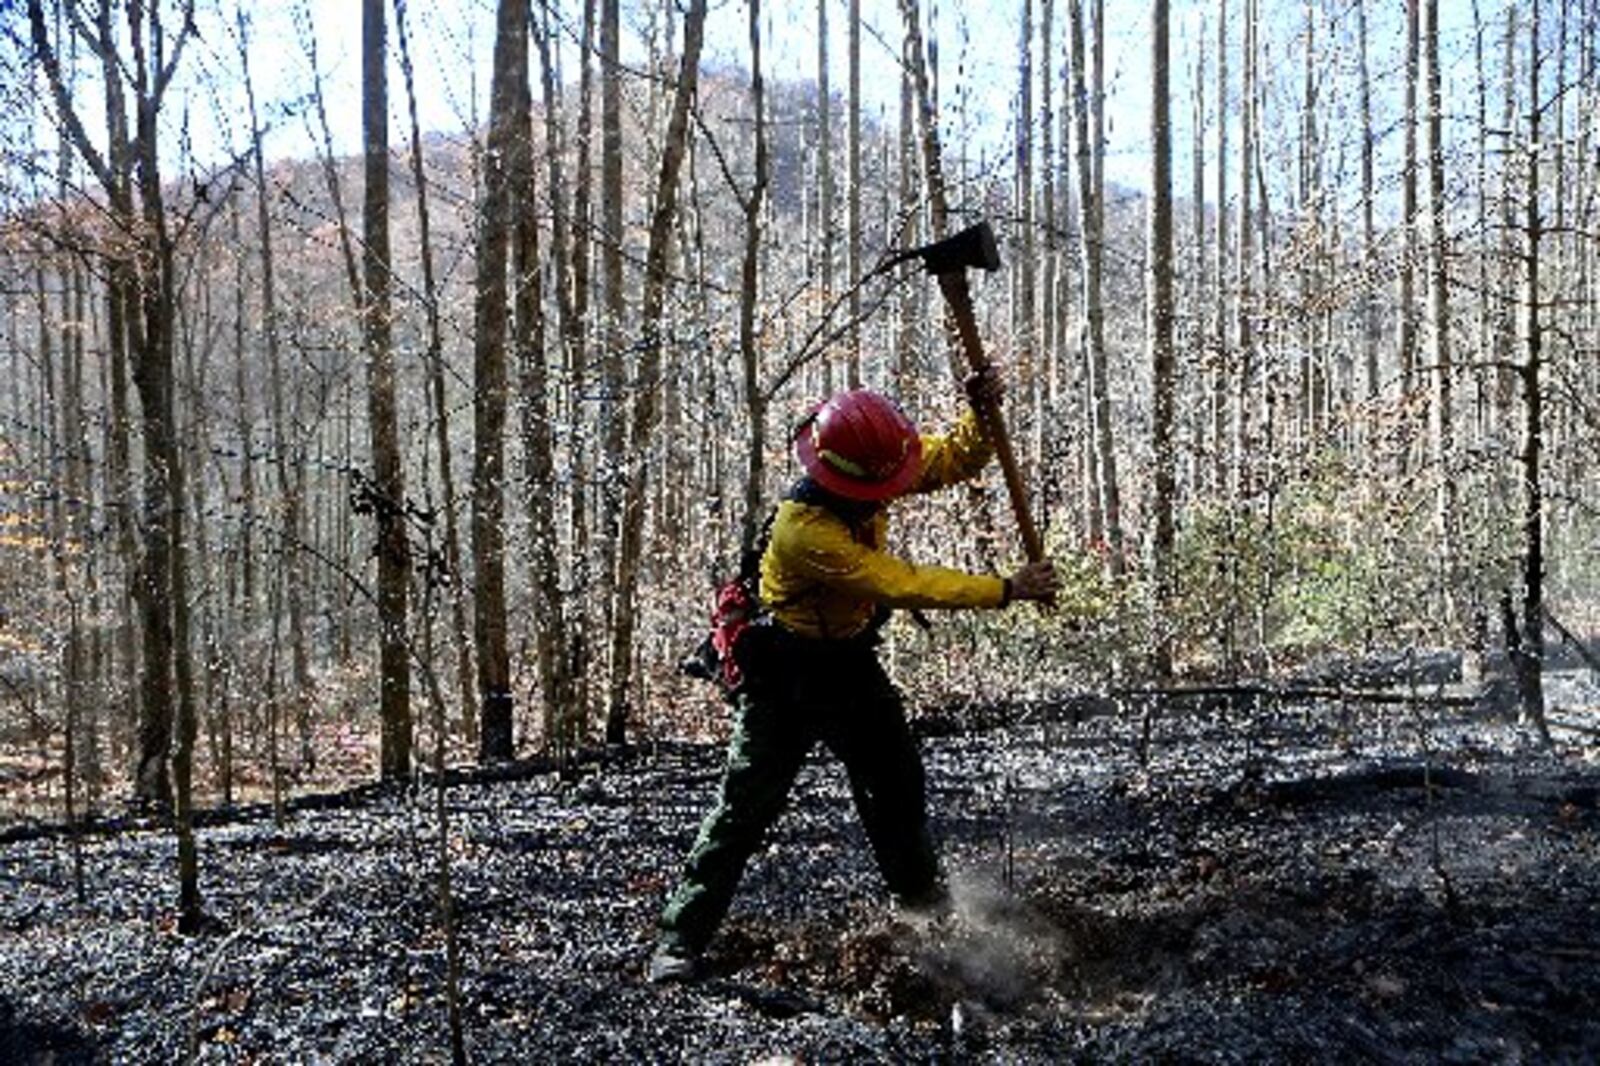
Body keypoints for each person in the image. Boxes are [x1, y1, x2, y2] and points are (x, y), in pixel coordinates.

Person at [648, 369, 1059, 983]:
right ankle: (679, 940)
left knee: (896, 789)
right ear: (848, 475)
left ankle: (927, 921)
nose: (896, 490)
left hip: (849, 668)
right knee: (744, 809)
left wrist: (979, 413)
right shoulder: (803, 532)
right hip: (783, 680)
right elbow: (898, 581)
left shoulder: (871, 468)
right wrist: (1005, 589)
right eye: (887, 484)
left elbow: (951, 461)